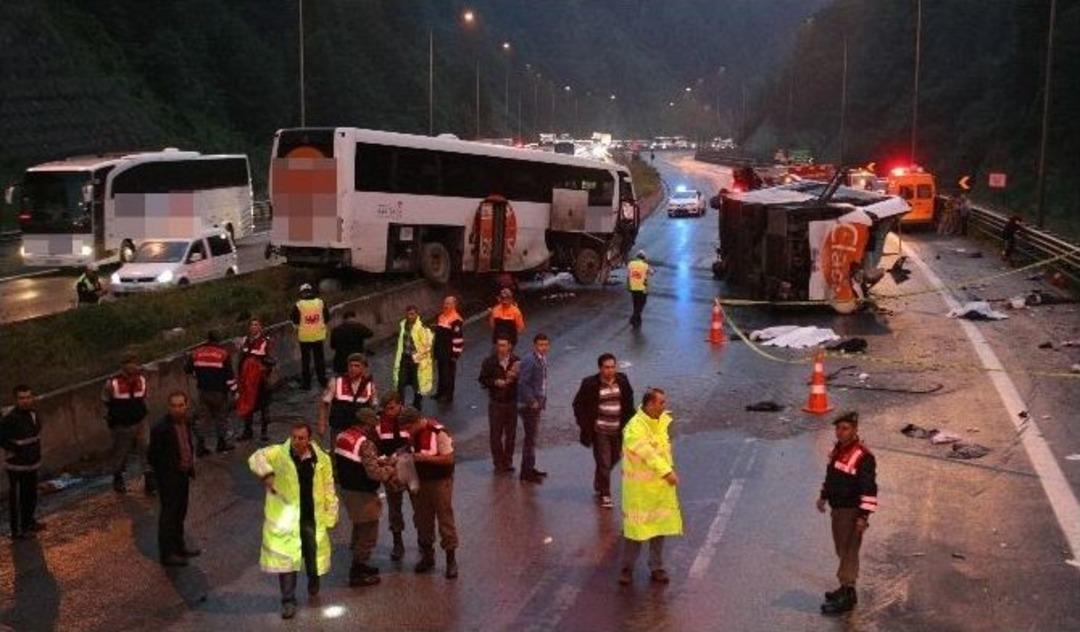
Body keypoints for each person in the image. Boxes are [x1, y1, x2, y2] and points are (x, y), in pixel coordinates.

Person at [249, 422, 339, 620]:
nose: (296, 442)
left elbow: (328, 486)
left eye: (301, 438)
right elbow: (256, 457)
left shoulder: (321, 459)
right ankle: (288, 600)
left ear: (309, 439)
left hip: (310, 517)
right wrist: (267, 473)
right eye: (294, 437)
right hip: (287, 519)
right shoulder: (279, 454)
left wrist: (331, 512)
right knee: (286, 561)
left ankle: (313, 579)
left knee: (312, 554)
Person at [618, 388, 682, 586]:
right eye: (661, 402)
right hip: (640, 492)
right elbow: (647, 453)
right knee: (636, 533)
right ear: (650, 404)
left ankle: (657, 567)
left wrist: (666, 472)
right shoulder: (634, 427)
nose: (664, 406)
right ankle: (627, 569)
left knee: (659, 529)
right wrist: (667, 472)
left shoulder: (661, 423)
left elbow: (663, 451)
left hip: (659, 489)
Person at [817, 411, 877, 615]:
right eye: (838, 428)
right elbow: (831, 476)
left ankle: (848, 595)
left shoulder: (863, 456)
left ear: (855, 430)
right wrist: (823, 496)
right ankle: (845, 590)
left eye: (845, 429)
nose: (840, 433)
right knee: (842, 550)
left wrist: (863, 517)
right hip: (838, 510)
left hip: (851, 512)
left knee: (849, 552)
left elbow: (869, 489)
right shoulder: (838, 450)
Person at [333, 408, 399, 587]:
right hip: (362, 492)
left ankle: (360, 565)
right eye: (372, 426)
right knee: (368, 532)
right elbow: (374, 474)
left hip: (347, 489)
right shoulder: (365, 443)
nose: (374, 429)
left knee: (358, 526)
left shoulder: (342, 436)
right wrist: (390, 469)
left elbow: (351, 462)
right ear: (366, 425)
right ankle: (357, 571)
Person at [398, 407, 458, 579]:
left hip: (440, 482)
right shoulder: (412, 435)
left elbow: (449, 458)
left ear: (417, 421)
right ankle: (427, 555)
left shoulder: (439, 433)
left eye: (409, 428)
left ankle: (451, 559)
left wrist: (426, 459)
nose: (407, 432)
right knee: (422, 519)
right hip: (420, 481)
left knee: (444, 518)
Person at [572, 353, 635, 509]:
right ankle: (605, 494)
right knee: (605, 462)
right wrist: (585, 425)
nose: (610, 370)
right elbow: (578, 404)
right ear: (600, 368)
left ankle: (600, 478)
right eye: (607, 367)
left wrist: (633, 423)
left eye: (613, 367)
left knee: (614, 458)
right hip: (600, 430)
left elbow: (628, 403)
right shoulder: (590, 384)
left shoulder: (622, 380)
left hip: (618, 429)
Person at [147, 392, 200, 567]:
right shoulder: (161, 429)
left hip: (183, 475)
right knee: (169, 515)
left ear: (186, 406)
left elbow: (186, 444)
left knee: (180, 512)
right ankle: (167, 553)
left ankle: (179, 546)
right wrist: (164, 474)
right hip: (169, 478)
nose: (177, 409)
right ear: (169, 407)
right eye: (174, 406)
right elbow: (153, 455)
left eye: (181, 405)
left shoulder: (186, 423)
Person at [102, 355, 152, 494]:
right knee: (121, 453)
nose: (134, 366)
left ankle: (149, 480)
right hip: (122, 425)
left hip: (140, 420)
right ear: (124, 365)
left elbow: (144, 397)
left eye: (135, 363)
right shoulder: (112, 383)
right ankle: (118, 478)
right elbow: (105, 400)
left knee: (145, 447)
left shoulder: (141, 379)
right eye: (130, 363)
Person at [1, 385, 45, 539]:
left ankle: (29, 522)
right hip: (17, 466)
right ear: (16, 400)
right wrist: (16, 450)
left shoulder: (33, 414)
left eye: (28, 397)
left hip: (32, 462)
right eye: (22, 398)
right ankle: (18, 530)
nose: (25, 401)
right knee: (19, 497)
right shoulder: (10, 418)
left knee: (31, 494)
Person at [184, 331, 236, 455]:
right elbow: (229, 376)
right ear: (219, 341)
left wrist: (198, 374)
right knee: (221, 417)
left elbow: (187, 370)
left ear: (207, 339)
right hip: (219, 392)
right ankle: (221, 444)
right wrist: (234, 391)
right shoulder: (223, 354)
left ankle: (200, 446)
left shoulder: (196, 353)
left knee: (203, 418)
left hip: (203, 391)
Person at [376, 393, 411, 562]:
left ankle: (425, 543)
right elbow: (375, 447)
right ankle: (398, 542)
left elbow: (416, 442)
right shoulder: (379, 423)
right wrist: (386, 461)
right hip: (389, 468)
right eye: (386, 409)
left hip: (410, 467)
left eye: (392, 408)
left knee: (419, 506)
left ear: (400, 405)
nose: (389, 412)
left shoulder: (410, 418)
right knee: (394, 507)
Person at [478, 336, 520, 474]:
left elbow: (523, 379)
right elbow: (482, 379)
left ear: (509, 346)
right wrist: (495, 382)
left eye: (503, 345)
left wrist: (515, 378)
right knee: (496, 435)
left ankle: (508, 461)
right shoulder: (489, 362)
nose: (501, 348)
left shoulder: (516, 361)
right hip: (496, 403)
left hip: (511, 402)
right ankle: (498, 463)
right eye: (499, 345)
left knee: (511, 435)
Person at [317, 353, 377, 446]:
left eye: (357, 366)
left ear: (364, 368)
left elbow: (373, 407)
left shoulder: (370, 386)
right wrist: (322, 423)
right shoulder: (336, 381)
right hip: (339, 427)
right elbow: (324, 403)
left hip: (359, 430)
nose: (353, 368)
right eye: (350, 366)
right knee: (336, 455)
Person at [516, 333, 550, 484]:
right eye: (540, 345)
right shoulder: (530, 360)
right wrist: (532, 401)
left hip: (536, 403)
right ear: (534, 345)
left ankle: (530, 467)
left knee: (532, 438)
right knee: (530, 439)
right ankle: (526, 472)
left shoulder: (541, 359)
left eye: (545, 345)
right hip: (528, 405)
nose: (543, 348)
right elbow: (523, 383)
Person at [237, 318, 274, 442]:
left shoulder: (265, 341)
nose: (253, 327)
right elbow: (241, 359)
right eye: (252, 325)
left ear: (260, 327)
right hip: (247, 379)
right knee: (248, 404)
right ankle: (248, 431)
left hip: (260, 378)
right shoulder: (245, 341)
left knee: (264, 405)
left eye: (256, 324)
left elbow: (269, 358)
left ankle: (264, 431)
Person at [393, 305, 434, 410]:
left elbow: (427, 345)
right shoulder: (403, 325)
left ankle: (417, 404)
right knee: (400, 383)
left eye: (412, 314)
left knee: (417, 384)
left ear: (417, 314)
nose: (410, 316)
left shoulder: (422, 328)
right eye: (408, 314)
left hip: (416, 361)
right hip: (404, 358)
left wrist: (416, 357)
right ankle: (400, 405)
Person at [291, 283, 331, 391]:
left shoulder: (298, 305)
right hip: (318, 336)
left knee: (306, 362)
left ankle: (306, 384)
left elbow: (294, 321)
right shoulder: (320, 302)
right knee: (320, 360)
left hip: (305, 338)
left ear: (301, 293)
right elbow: (327, 318)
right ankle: (322, 380)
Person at [433, 296, 465, 403]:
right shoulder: (441, 316)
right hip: (441, 351)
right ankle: (440, 393)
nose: (445, 305)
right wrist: (435, 351)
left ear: (454, 305)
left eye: (448, 303)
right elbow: (438, 336)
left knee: (449, 375)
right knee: (441, 373)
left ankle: (448, 396)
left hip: (449, 352)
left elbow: (458, 339)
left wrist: (455, 354)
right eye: (445, 303)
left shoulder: (456, 319)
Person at [330, 311, 374, 375]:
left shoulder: (336, 330)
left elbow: (332, 346)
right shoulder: (358, 327)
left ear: (343, 319)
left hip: (341, 363)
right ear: (354, 318)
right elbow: (370, 333)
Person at [626, 251, 651, 328]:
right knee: (642, 304)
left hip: (633, 287)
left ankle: (638, 321)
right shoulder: (645, 266)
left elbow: (628, 276)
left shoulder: (630, 264)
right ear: (644, 258)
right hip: (642, 288)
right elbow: (652, 272)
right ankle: (633, 318)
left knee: (635, 304)